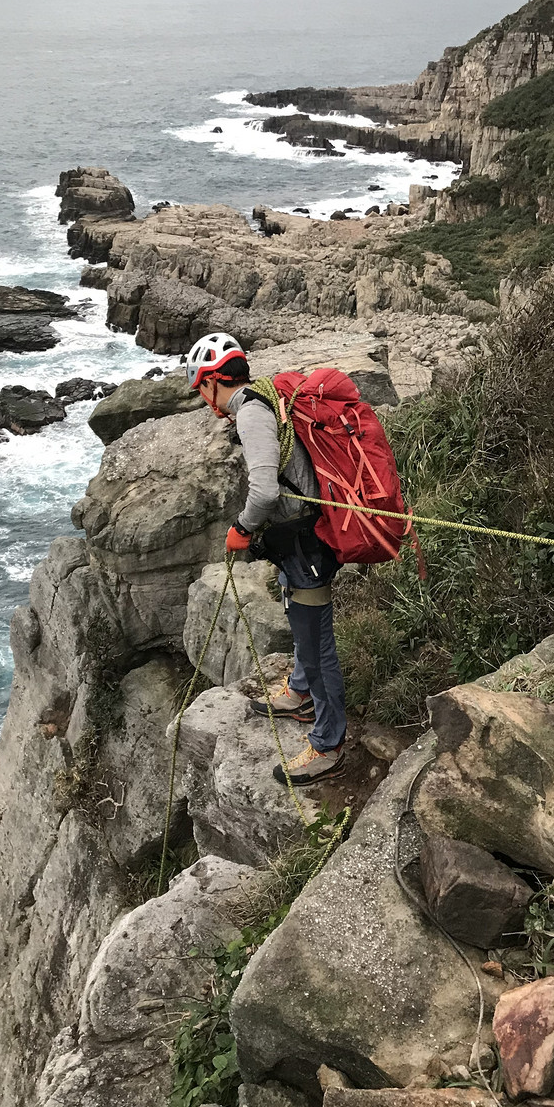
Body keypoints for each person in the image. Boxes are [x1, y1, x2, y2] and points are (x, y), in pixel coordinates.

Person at [186, 331, 347, 786]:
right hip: (299, 537)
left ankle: (329, 743)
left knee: (317, 646)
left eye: (200, 386)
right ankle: (299, 691)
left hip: (305, 544)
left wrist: (241, 529)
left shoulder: (251, 414)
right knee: (298, 618)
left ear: (216, 380)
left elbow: (264, 491)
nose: (201, 397)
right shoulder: (264, 398)